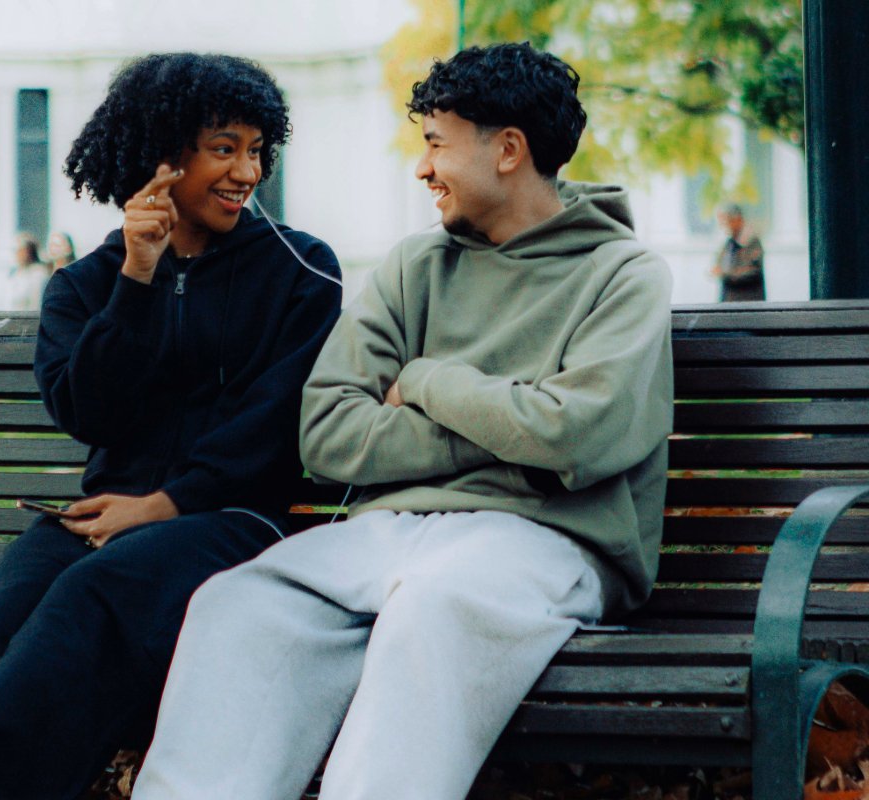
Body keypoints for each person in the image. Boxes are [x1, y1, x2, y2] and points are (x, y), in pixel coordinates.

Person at [131, 42, 674, 800]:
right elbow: (327, 431)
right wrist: (510, 431)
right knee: (242, 602)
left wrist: (425, 379)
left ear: (508, 150)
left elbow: (576, 435)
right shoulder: (413, 268)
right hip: (391, 533)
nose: (422, 168)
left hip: (551, 540)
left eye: (436, 144)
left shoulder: (623, 274)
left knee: (435, 605)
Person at [0, 52, 341, 800]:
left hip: (240, 517)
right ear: (160, 156)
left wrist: (162, 505)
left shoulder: (300, 269)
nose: (247, 172)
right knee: (9, 604)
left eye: (256, 151)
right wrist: (137, 280)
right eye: (224, 149)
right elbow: (90, 413)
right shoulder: (86, 286)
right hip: (106, 512)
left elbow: (276, 421)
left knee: (102, 586)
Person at [710, 202, 766, 301]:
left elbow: (750, 272)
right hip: (730, 302)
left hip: (748, 304)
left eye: (726, 221)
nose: (724, 226)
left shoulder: (752, 242)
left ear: (737, 219)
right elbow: (720, 261)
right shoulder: (730, 242)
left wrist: (725, 273)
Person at [6, 230, 53, 310]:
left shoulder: (38, 273)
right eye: (16, 250)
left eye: (21, 250)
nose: (17, 254)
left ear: (30, 252)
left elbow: (36, 304)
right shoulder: (14, 272)